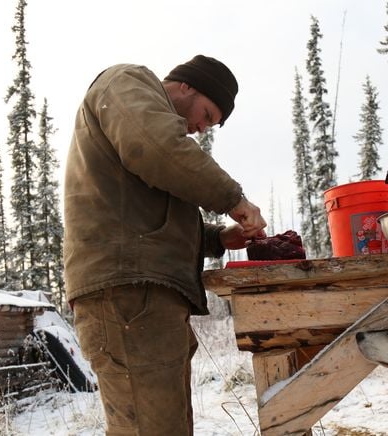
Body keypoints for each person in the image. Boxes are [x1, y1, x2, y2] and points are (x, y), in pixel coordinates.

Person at [63, 55, 267, 435]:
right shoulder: (127, 82)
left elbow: (152, 221)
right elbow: (157, 149)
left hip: (142, 299)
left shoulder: (149, 131)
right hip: (129, 298)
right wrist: (232, 198)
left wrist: (219, 238)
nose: (201, 129)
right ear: (187, 85)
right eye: (207, 116)